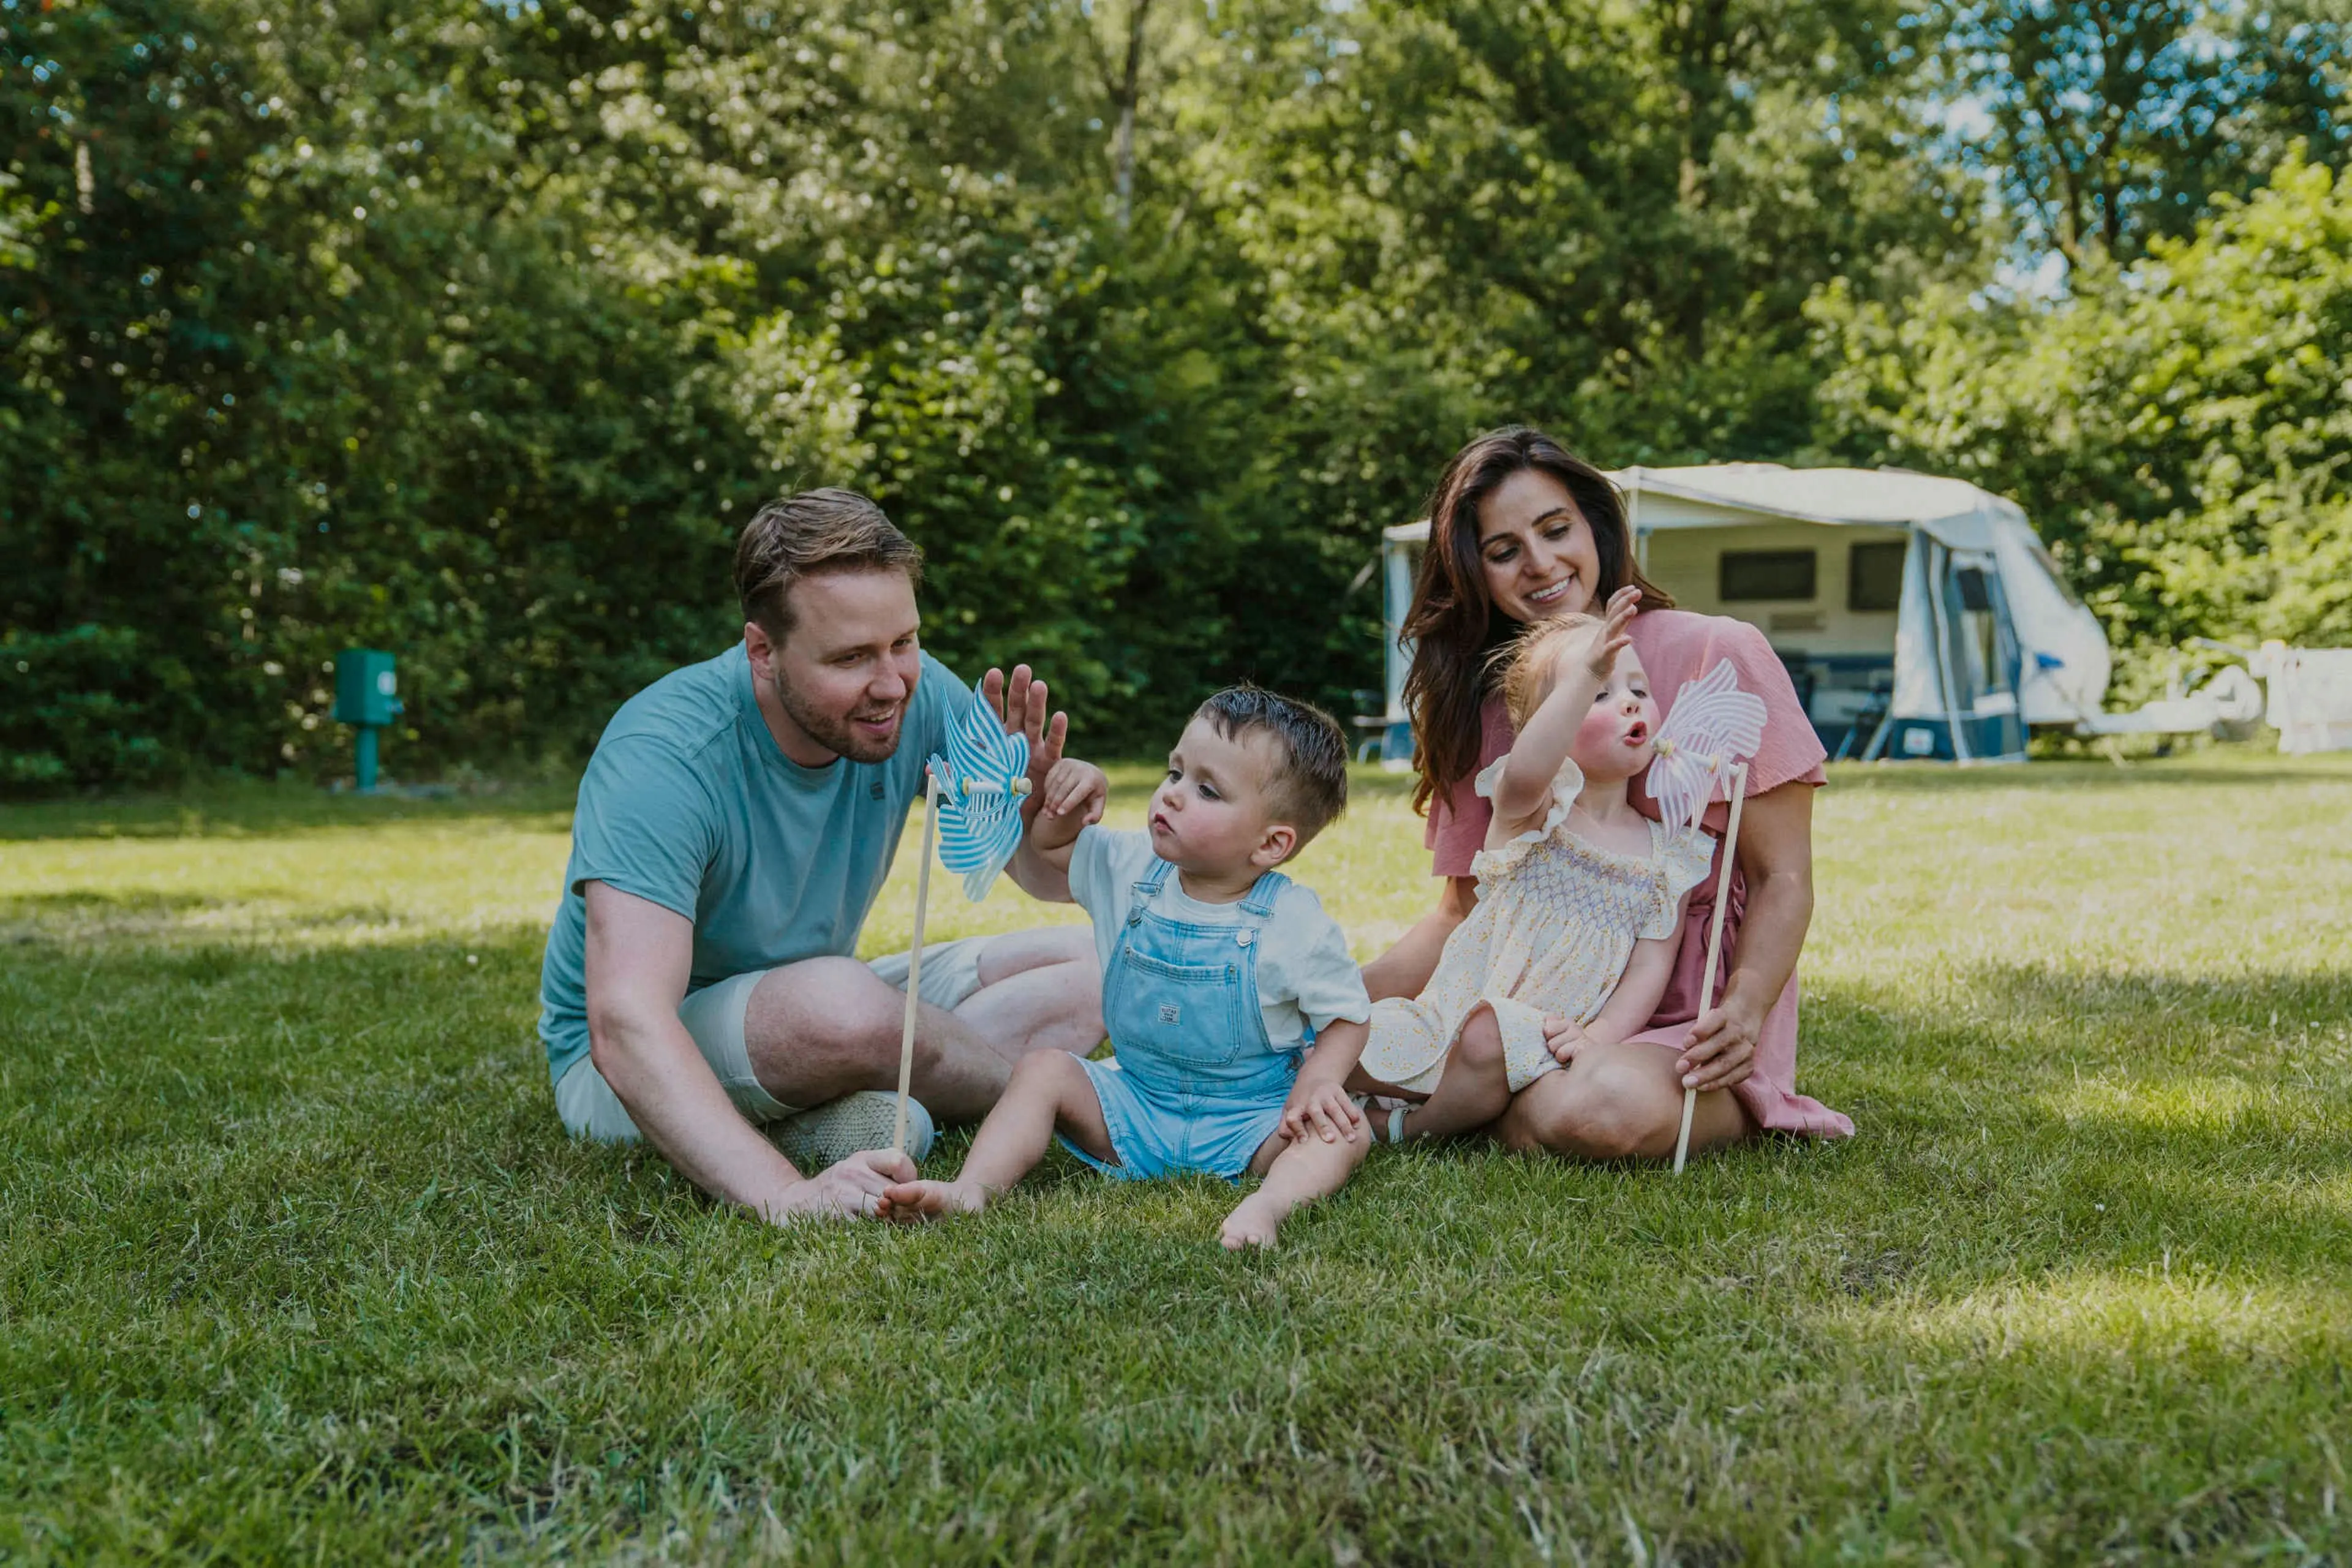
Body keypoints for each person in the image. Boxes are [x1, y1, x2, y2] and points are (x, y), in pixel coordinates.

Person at [536, 488, 1105, 1225]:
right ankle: (1058, 1100)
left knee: (1096, 962)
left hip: (827, 1002)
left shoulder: (917, 692)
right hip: (629, 1063)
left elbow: (1028, 870)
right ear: (762, 651)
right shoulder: (663, 754)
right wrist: (786, 1193)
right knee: (841, 1007)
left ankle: (875, 1104)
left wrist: (1048, 831)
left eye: (904, 641)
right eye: (850, 657)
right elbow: (626, 1024)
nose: (892, 683)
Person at [1363, 426, 1852, 1159]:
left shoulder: (1719, 650)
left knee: (1600, 1108)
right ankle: (1483, 1081)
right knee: (1331, 1038)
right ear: (1476, 572)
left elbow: (1783, 876)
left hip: (1679, 1023)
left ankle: (1471, 1097)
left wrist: (1746, 1009)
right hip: (1518, 1007)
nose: (1540, 563)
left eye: (1556, 529)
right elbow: (1460, 913)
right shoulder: (1489, 702)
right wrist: (1325, 1002)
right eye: (1503, 551)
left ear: (1596, 524)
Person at [885, 687, 1374, 1249]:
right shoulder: (1127, 867)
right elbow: (1050, 850)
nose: (1173, 796)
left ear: (1270, 844)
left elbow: (1348, 1015)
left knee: (1345, 1133)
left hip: (1250, 1121)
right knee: (1045, 1068)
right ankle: (972, 1189)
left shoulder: (1294, 920)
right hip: (1134, 1108)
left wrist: (1316, 1082)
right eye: (1175, 773)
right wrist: (1065, 801)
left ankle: (1265, 1206)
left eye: (1207, 790)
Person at [1352, 595, 1717, 1144]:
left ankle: (1415, 1127)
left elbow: (1650, 966)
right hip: (1449, 1009)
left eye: (1638, 690)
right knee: (1343, 1039)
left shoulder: (1668, 856)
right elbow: (1528, 770)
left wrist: (1600, 1037)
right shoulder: (1536, 808)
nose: (1629, 704)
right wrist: (1583, 672)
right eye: (1598, 693)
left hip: (1537, 1036)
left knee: (1488, 1042)